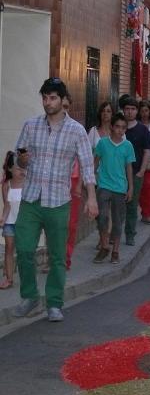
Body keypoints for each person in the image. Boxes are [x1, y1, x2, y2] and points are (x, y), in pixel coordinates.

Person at [13, 77, 98, 322]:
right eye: (44, 98)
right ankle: (29, 297)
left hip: (59, 202)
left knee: (57, 256)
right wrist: (23, 161)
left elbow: (87, 166)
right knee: (25, 248)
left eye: (52, 98)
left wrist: (91, 198)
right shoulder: (31, 126)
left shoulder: (77, 131)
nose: (47, 102)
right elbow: (19, 157)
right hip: (31, 199)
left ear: (63, 100)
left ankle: (54, 303)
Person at [93, 113, 135, 264]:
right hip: (104, 185)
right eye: (117, 126)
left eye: (123, 128)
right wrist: (90, 182)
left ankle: (115, 251)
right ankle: (104, 246)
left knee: (117, 221)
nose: (120, 130)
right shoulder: (103, 143)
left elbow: (129, 168)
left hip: (120, 187)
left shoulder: (128, 146)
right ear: (112, 127)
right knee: (102, 217)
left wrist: (130, 188)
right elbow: (95, 163)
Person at [122, 96, 150, 246]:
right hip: (117, 173)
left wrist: (141, 171)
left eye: (133, 109)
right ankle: (109, 235)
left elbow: (147, 151)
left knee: (132, 205)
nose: (129, 112)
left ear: (137, 111)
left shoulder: (142, 129)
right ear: (123, 110)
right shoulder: (118, 127)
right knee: (115, 206)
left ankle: (130, 234)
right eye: (127, 109)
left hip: (136, 173)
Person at [60, 95, 83, 271]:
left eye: (67, 107)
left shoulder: (76, 130)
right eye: (62, 106)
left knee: (71, 223)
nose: (64, 110)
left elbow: (83, 160)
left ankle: (65, 258)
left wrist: (78, 185)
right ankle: (56, 257)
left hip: (73, 180)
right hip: (54, 183)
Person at [0, 151, 25, 289]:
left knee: (24, 250)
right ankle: (9, 279)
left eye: (23, 167)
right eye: (18, 168)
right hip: (10, 222)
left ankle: (26, 277)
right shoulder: (6, 186)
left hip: (25, 224)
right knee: (9, 248)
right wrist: (3, 219)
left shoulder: (28, 184)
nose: (22, 171)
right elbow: (7, 206)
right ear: (10, 169)